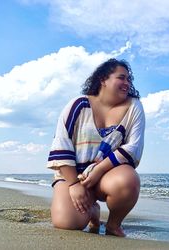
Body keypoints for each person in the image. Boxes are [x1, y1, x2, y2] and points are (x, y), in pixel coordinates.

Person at [47, 58, 145, 237]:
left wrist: (99, 170)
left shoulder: (133, 106)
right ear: (103, 79)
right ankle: (92, 211)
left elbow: (133, 148)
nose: (127, 83)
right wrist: (75, 185)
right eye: (121, 77)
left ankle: (113, 225)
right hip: (72, 176)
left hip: (106, 176)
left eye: (129, 79)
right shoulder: (79, 104)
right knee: (67, 223)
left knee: (129, 181)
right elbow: (61, 143)